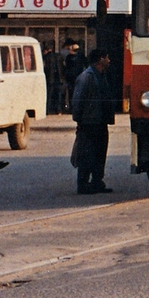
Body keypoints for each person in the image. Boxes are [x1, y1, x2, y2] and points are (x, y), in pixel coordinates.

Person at [72, 48, 116, 194]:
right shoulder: (87, 76)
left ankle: (97, 181)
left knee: (99, 153)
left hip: (100, 120)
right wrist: (79, 119)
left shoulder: (102, 75)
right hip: (89, 122)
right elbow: (78, 100)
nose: (109, 60)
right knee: (86, 154)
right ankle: (83, 183)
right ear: (100, 59)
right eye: (107, 57)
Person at [43, 42, 68, 115]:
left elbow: (45, 68)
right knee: (59, 96)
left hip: (50, 79)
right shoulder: (59, 56)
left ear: (46, 50)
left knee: (49, 96)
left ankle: (48, 110)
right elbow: (63, 67)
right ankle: (59, 110)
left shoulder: (46, 57)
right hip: (60, 79)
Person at [61, 39, 86, 111]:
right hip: (79, 76)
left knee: (71, 93)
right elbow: (85, 65)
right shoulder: (81, 56)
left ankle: (72, 108)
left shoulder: (68, 57)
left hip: (70, 77)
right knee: (79, 93)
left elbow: (66, 67)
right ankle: (78, 108)